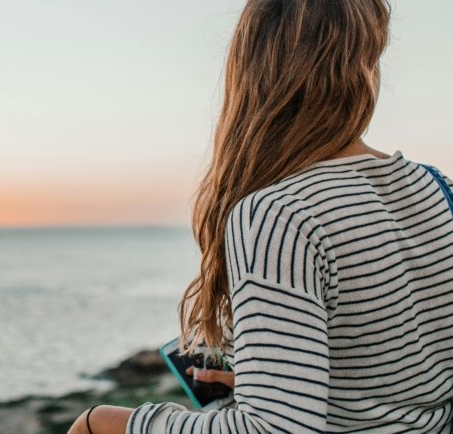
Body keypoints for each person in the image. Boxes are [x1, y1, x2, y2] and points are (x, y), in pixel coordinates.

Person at [67, 0, 453, 432]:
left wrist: (109, 422)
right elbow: (401, 377)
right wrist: (270, 382)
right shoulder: (437, 188)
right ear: (363, 68)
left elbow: (273, 431)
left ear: (250, 74)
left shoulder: (280, 215)